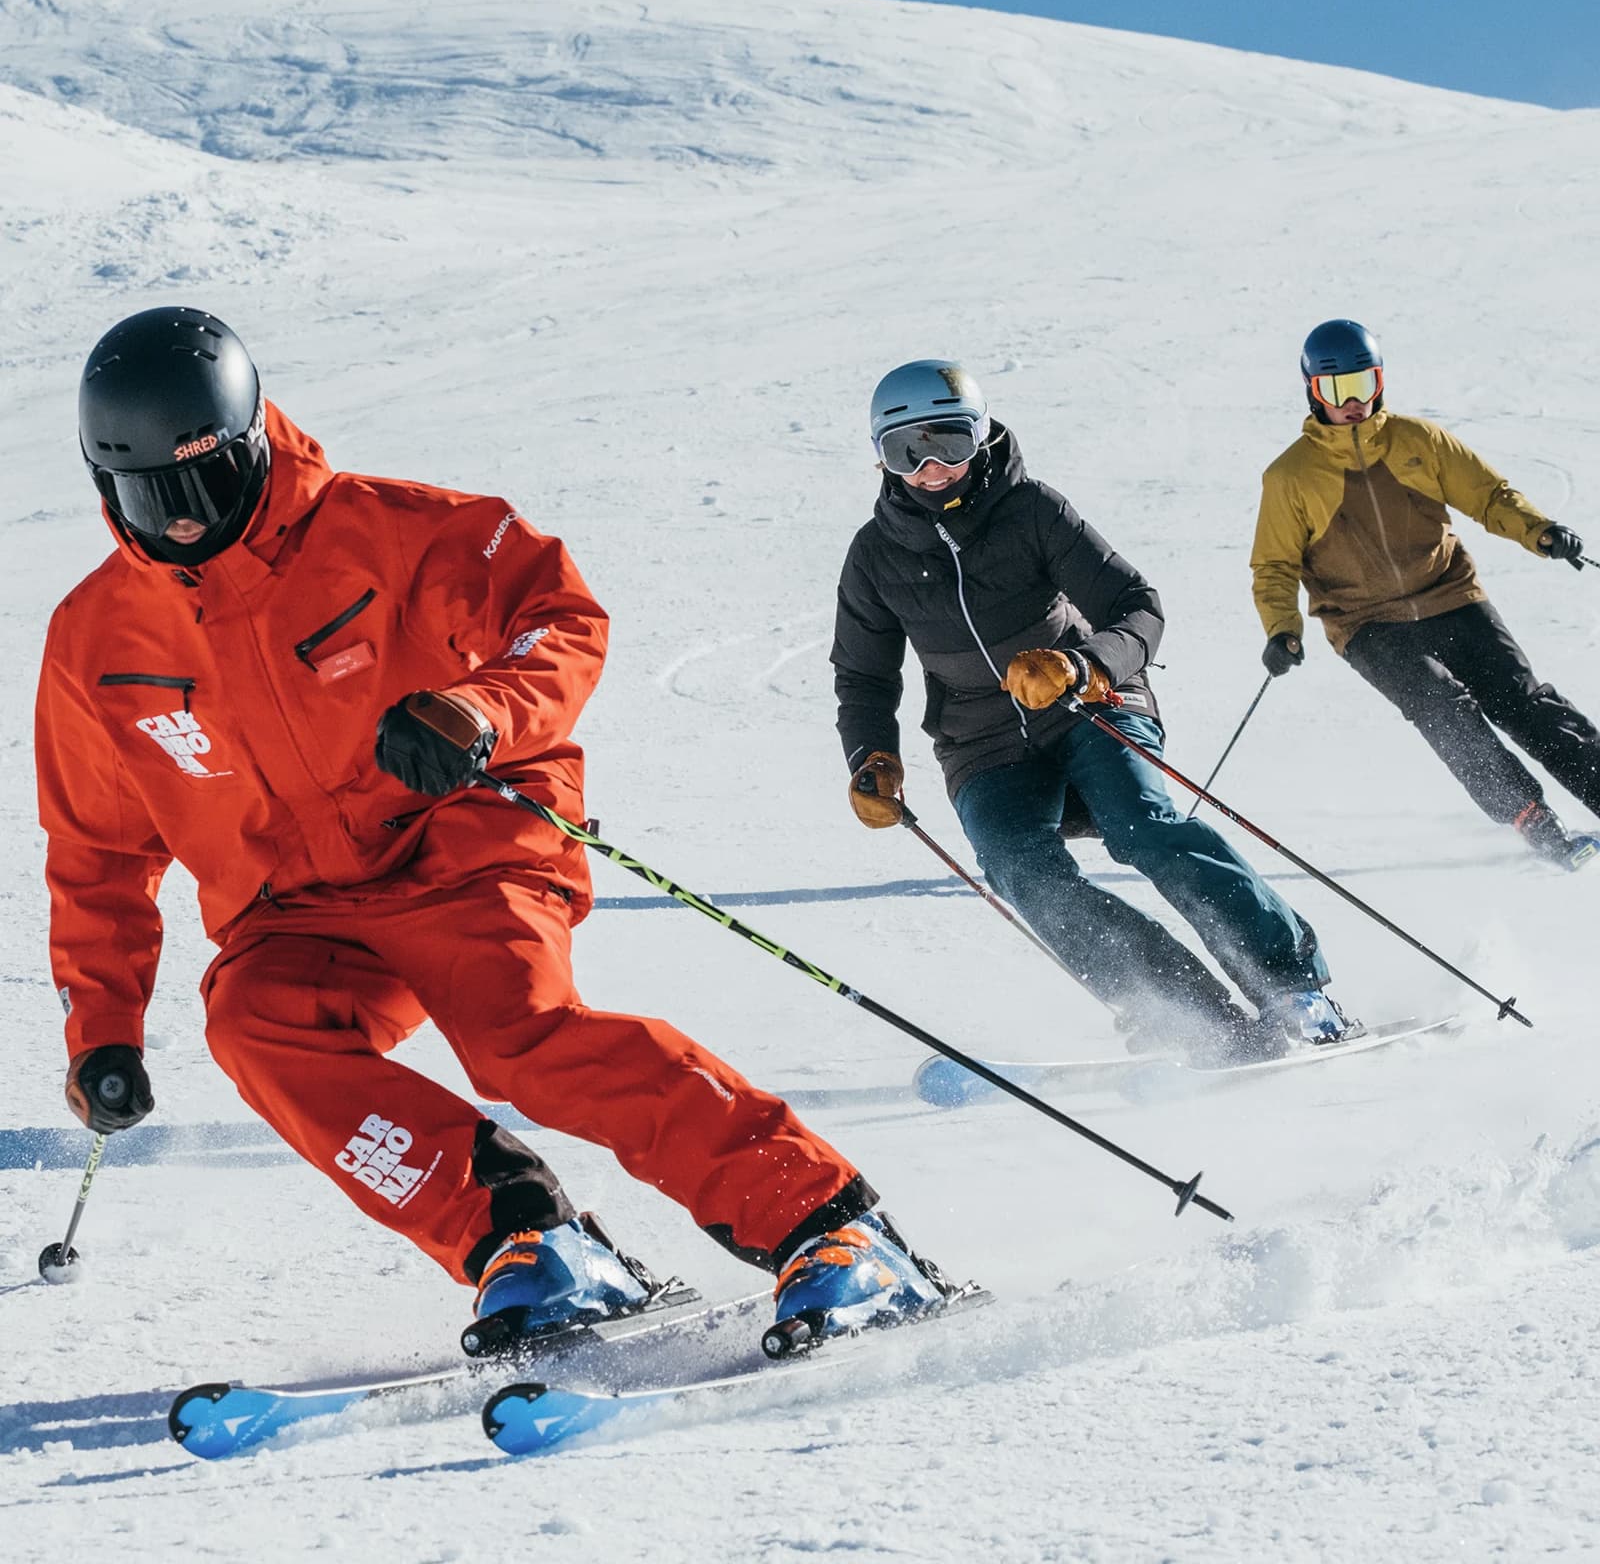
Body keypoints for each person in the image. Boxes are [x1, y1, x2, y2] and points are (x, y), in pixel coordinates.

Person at [39, 305, 951, 1347]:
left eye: (201, 486)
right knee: (256, 1022)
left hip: (462, 842)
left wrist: (479, 711)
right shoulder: (95, 637)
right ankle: (528, 1238)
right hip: (297, 910)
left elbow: (558, 618)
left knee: (520, 1039)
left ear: (251, 442)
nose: (185, 523)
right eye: (148, 497)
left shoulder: (389, 529)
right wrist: (101, 1030)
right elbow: (97, 853)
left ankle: (827, 1223)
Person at [831, 359, 1351, 1064]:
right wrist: (871, 757)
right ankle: (1186, 1013)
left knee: (1143, 828)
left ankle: (1292, 986)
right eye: (905, 452)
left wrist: (1083, 666)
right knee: (1021, 871)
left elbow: (1137, 607)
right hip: (981, 743)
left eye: (948, 444)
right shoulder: (874, 558)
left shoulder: (1033, 510)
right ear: (881, 458)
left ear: (979, 438)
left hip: (1087, 705)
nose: (930, 469)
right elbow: (862, 676)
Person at [1252, 319, 1600, 871]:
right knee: (1441, 705)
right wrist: (1282, 630)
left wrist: (1540, 530)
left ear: (1380, 381)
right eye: (1336, 391)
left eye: (1363, 386)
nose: (1353, 404)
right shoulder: (1292, 476)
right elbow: (1274, 566)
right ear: (1312, 391)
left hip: (1450, 593)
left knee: (1522, 700)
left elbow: (1488, 494)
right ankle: (1529, 816)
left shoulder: (1419, 441)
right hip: (1365, 622)